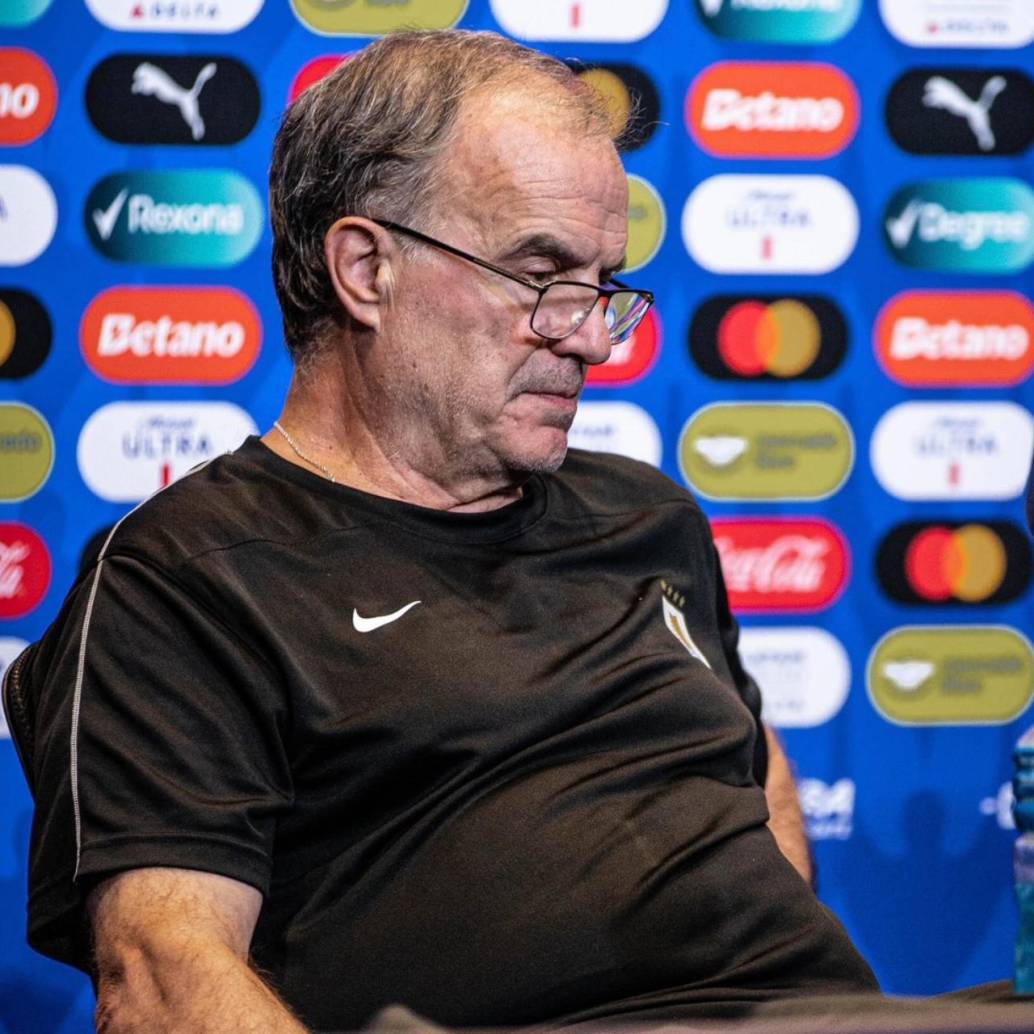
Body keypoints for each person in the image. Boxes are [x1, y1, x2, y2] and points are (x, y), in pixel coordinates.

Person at [13, 31, 885, 1034]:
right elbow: (163, 971)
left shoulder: (650, 515)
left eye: (602, 285)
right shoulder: (184, 576)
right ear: (364, 268)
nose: (592, 335)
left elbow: (750, 755)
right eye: (540, 274)